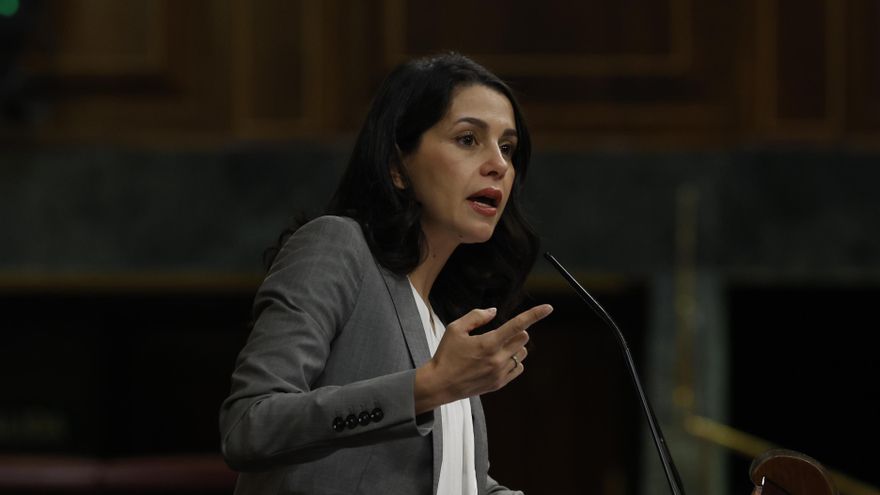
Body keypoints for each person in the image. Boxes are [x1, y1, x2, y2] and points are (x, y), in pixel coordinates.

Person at [219, 52, 553, 495]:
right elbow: (249, 426)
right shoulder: (338, 247)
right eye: (468, 139)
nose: (499, 164)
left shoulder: (443, 318)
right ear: (397, 166)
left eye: (507, 147)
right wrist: (424, 388)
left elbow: (453, 480)